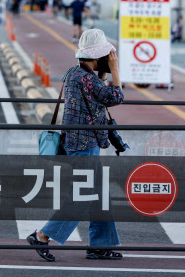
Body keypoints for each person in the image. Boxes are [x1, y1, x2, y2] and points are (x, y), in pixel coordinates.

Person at [28, 28, 125, 262]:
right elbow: (116, 97)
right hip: (85, 143)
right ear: (97, 55)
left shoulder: (75, 73)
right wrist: (114, 69)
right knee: (84, 195)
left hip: (77, 141)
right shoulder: (87, 78)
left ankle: (100, 245)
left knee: (99, 195)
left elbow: (97, 95)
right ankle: (42, 235)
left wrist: (102, 71)